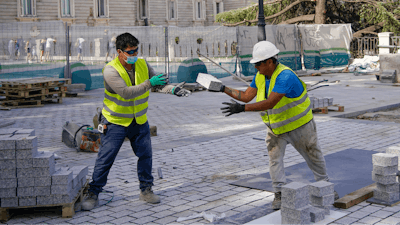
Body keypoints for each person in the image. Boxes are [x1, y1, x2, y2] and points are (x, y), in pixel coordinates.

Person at [216, 41, 339, 210]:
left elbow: (271, 103)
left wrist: (242, 109)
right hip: (276, 128)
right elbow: (246, 96)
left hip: (299, 126)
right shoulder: (260, 76)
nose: (256, 67)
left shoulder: (285, 76)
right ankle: (279, 193)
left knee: (313, 156)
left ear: (270, 61)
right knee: (275, 160)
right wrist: (223, 88)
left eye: (258, 64)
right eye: (255, 64)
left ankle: (325, 186)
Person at [81, 32, 191, 211]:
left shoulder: (142, 63)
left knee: (146, 155)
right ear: (119, 52)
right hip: (115, 122)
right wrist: (150, 83)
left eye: (135, 51)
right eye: (130, 52)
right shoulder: (110, 70)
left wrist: (172, 90)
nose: (134, 55)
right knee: (106, 158)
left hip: (139, 121)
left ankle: (146, 190)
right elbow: (126, 92)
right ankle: (93, 193)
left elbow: (156, 83)